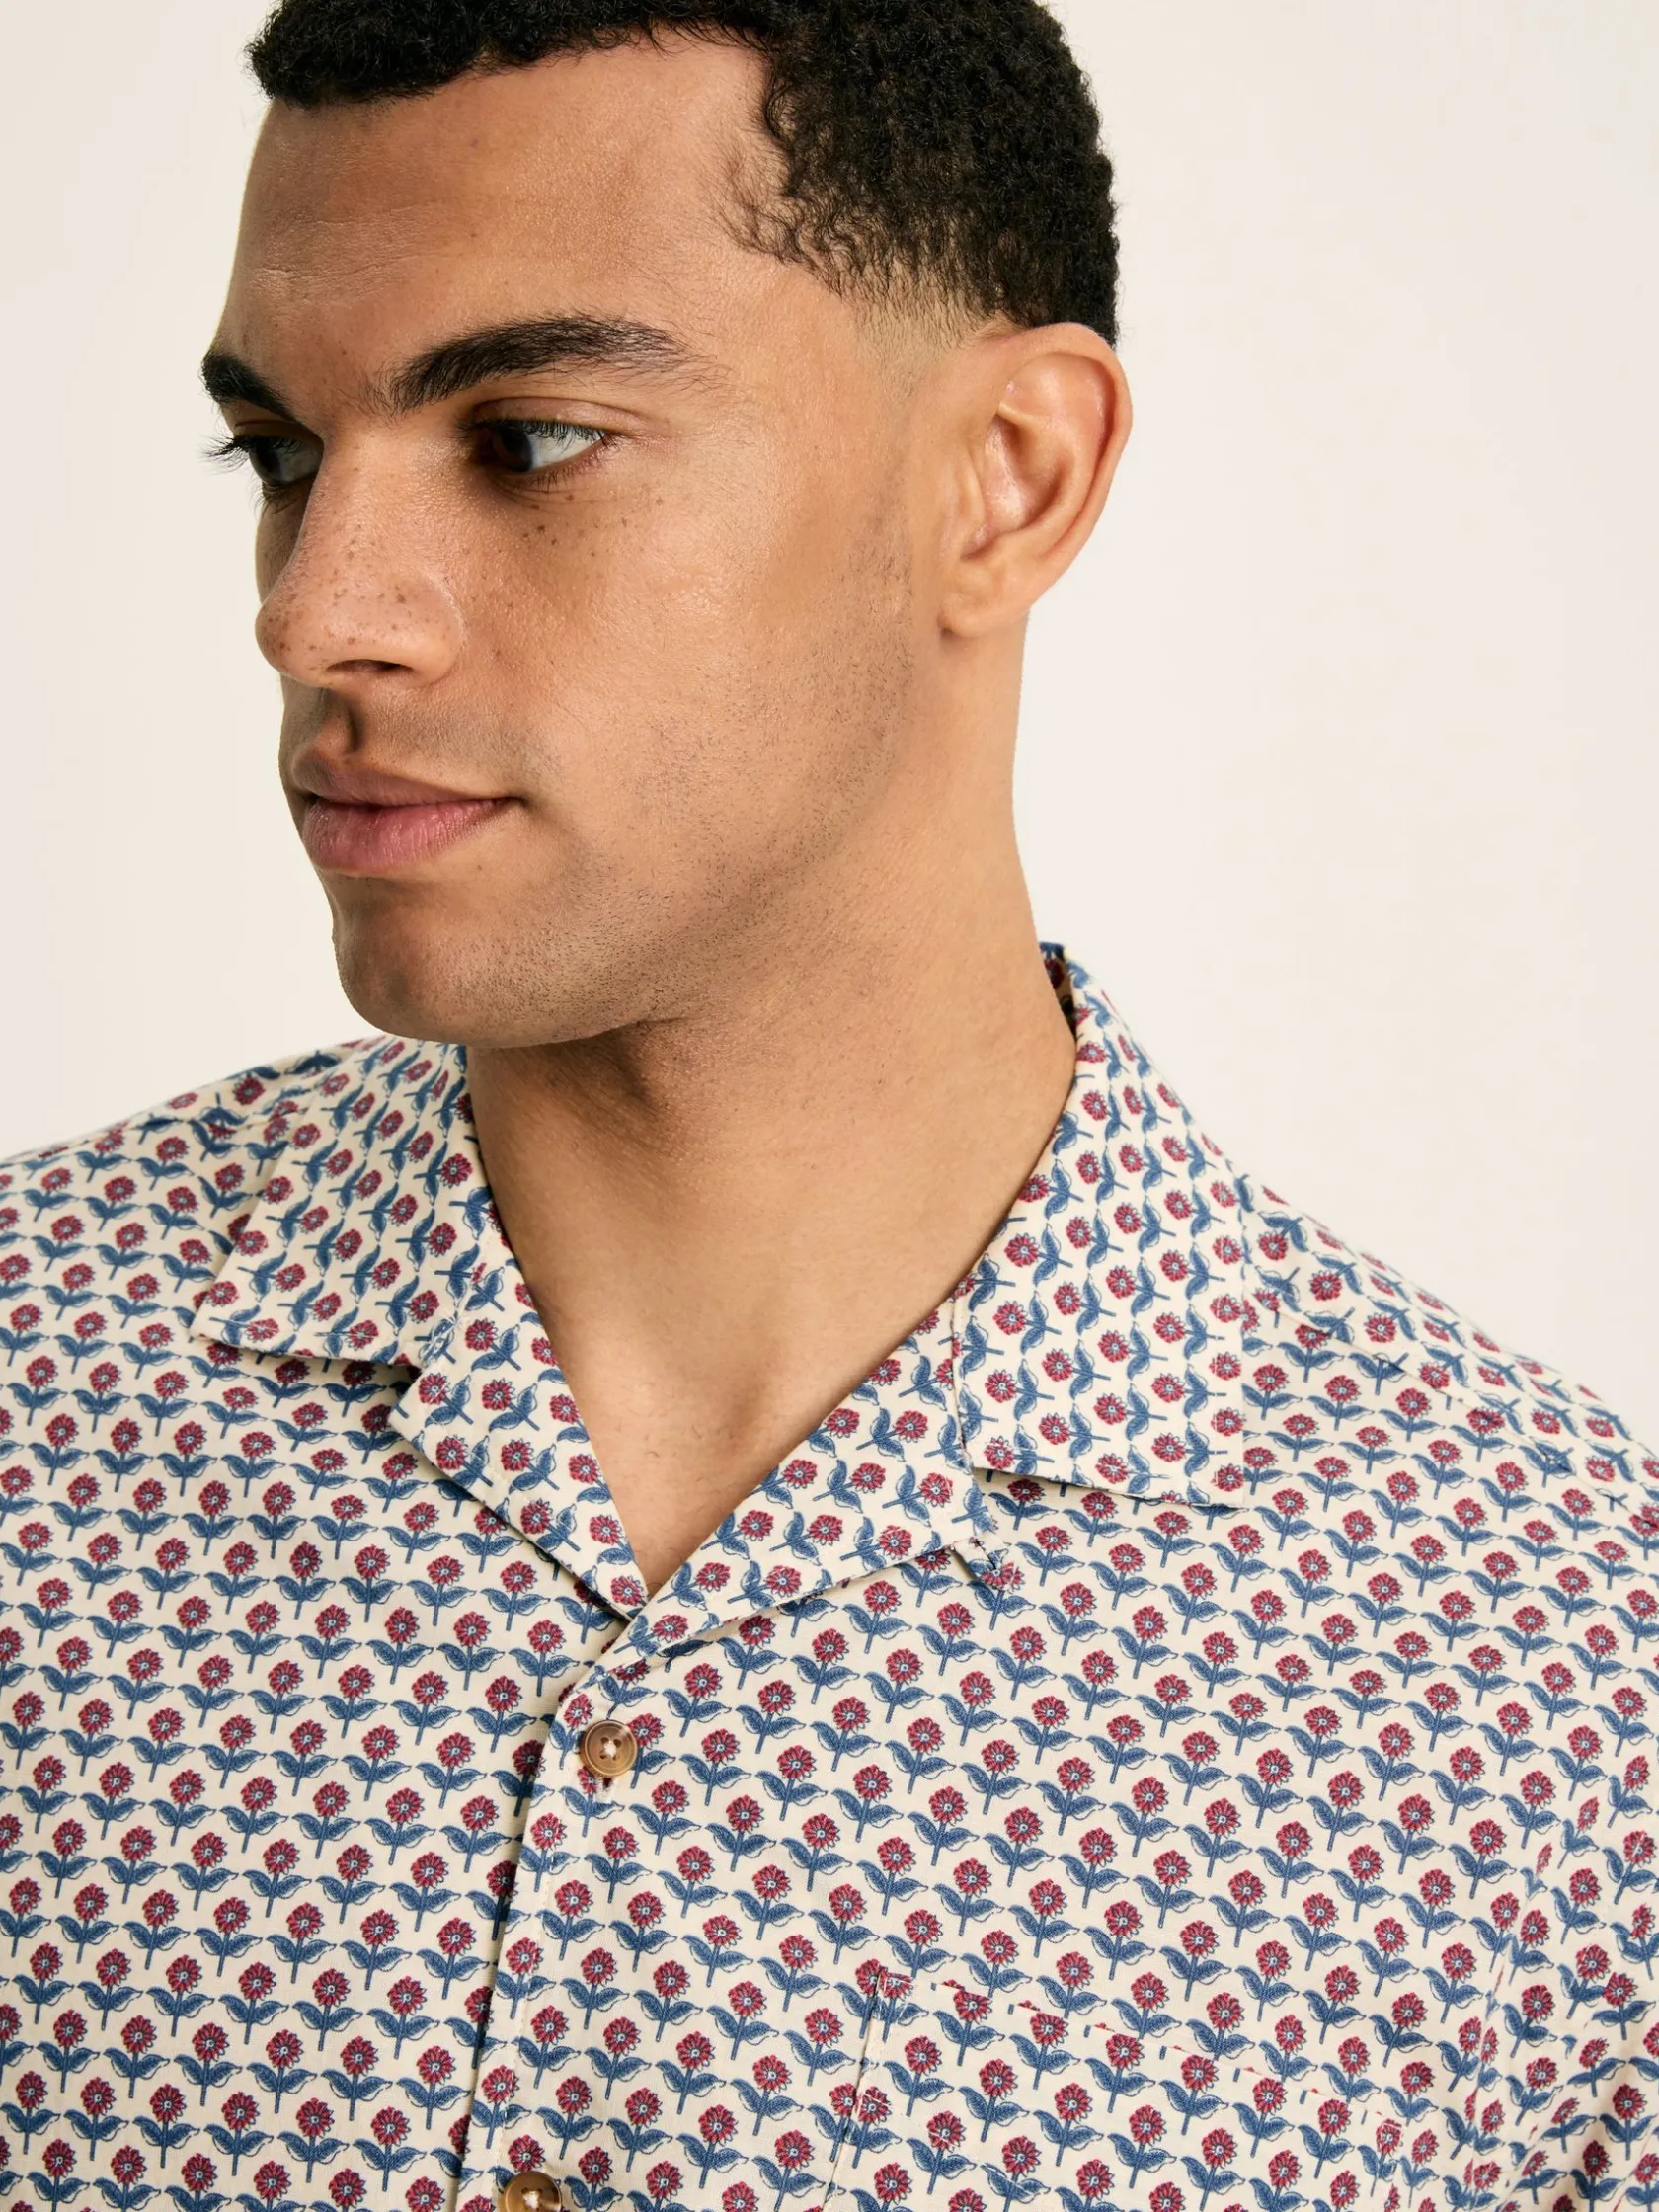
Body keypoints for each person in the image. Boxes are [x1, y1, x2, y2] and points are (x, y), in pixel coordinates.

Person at [1, 4, 1652, 2210]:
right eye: (282, 456)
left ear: (1010, 478)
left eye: (530, 441)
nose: (318, 616)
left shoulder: (1558, 1674)